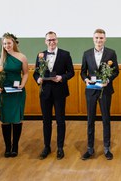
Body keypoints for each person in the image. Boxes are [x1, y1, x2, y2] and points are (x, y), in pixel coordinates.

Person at [33, 31, 75, 160]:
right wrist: (38, 79)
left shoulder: (65, 54)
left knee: (60, 121)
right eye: (49, 40)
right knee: (46, 121)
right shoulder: (40, 55)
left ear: (57, 40)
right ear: (45, 41)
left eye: (53, 40)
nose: (51, 42)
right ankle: (47, 147)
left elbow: (71, 72)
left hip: (59, 92)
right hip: (45, 92)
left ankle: (60, 148)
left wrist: (61, 77)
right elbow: (36, 72)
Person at [80, 29, 119, 160]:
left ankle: (107, 149)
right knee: (90, 120)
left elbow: (116, 71)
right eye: (96, 38)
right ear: (93, 39)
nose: (99, 40)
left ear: (105, 39)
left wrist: (108, 80)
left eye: (101, 38)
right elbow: (82, 72)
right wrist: (85, 79)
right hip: (91, 90)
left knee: (106, 119)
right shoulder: (86, 53)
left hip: (105, 90)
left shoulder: (111, 53)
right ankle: (90, 149)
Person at [0, 33, 29, 158]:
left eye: (9, 43)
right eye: (4, 43)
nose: (6, 45)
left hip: (17, 92)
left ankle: (15, 146)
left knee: (17, 119)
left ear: (13, 43)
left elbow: (26, 73)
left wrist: (22, 85)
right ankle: (7, 147)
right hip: (4, 93)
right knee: (6, 120)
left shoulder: (22, 57)